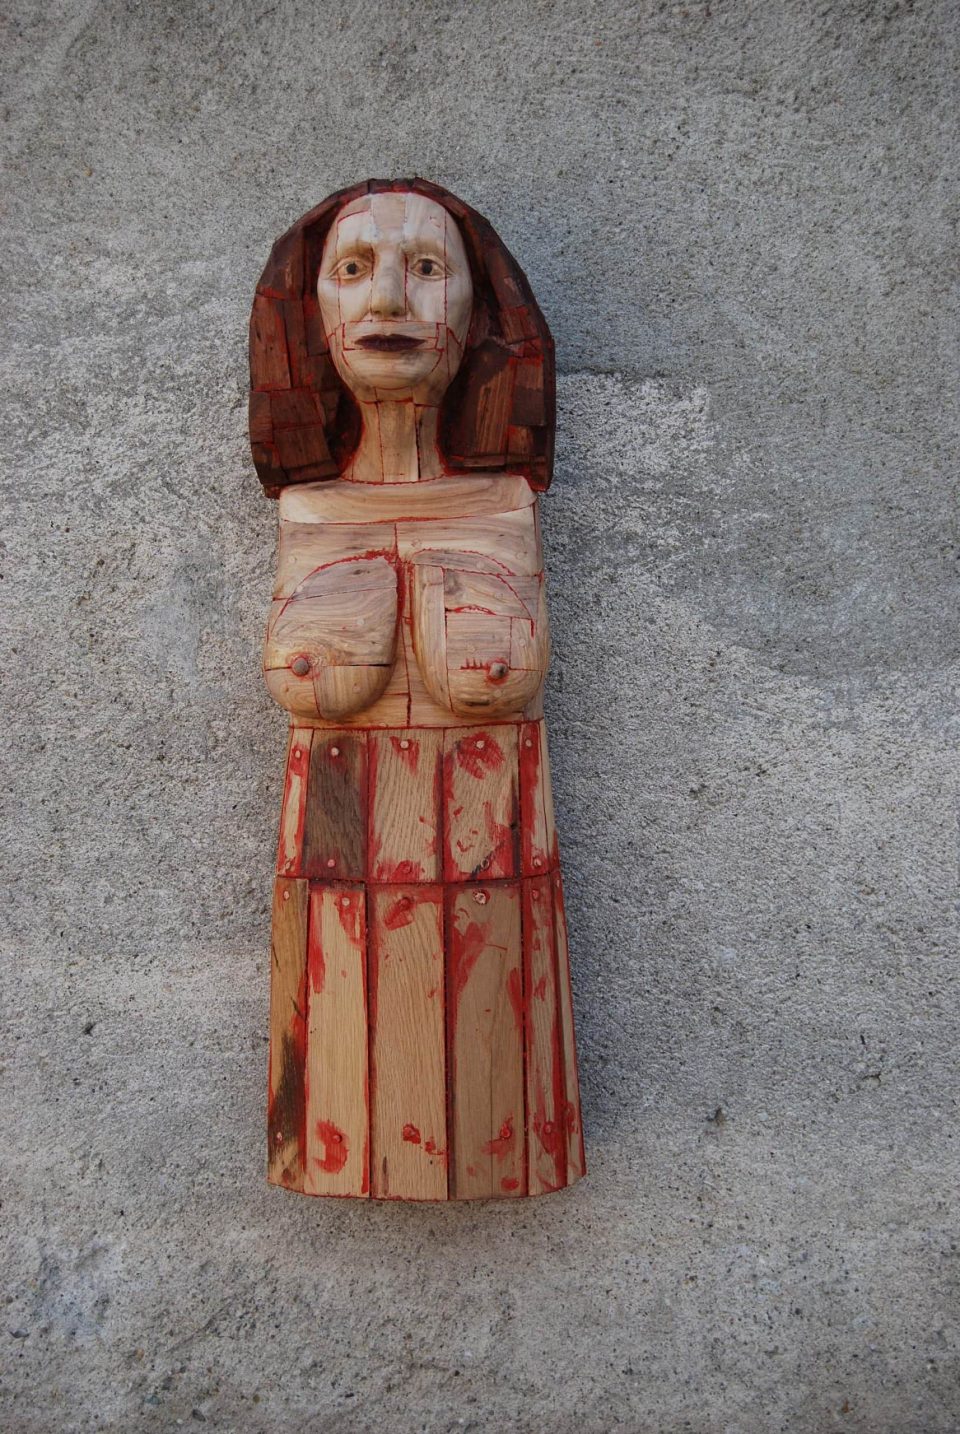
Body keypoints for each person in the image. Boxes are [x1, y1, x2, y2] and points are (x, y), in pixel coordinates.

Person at [250, 178, 584, 1201]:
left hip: (494, 866)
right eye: (354, 269)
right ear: (310, 314)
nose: (389, 299)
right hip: (336, 858)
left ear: (481, 315)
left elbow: (499, 674)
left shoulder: (504, 505)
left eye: (426, 268)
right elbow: (308, 678)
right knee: (346, 1075)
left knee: (493, 1081)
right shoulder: (310, 509)